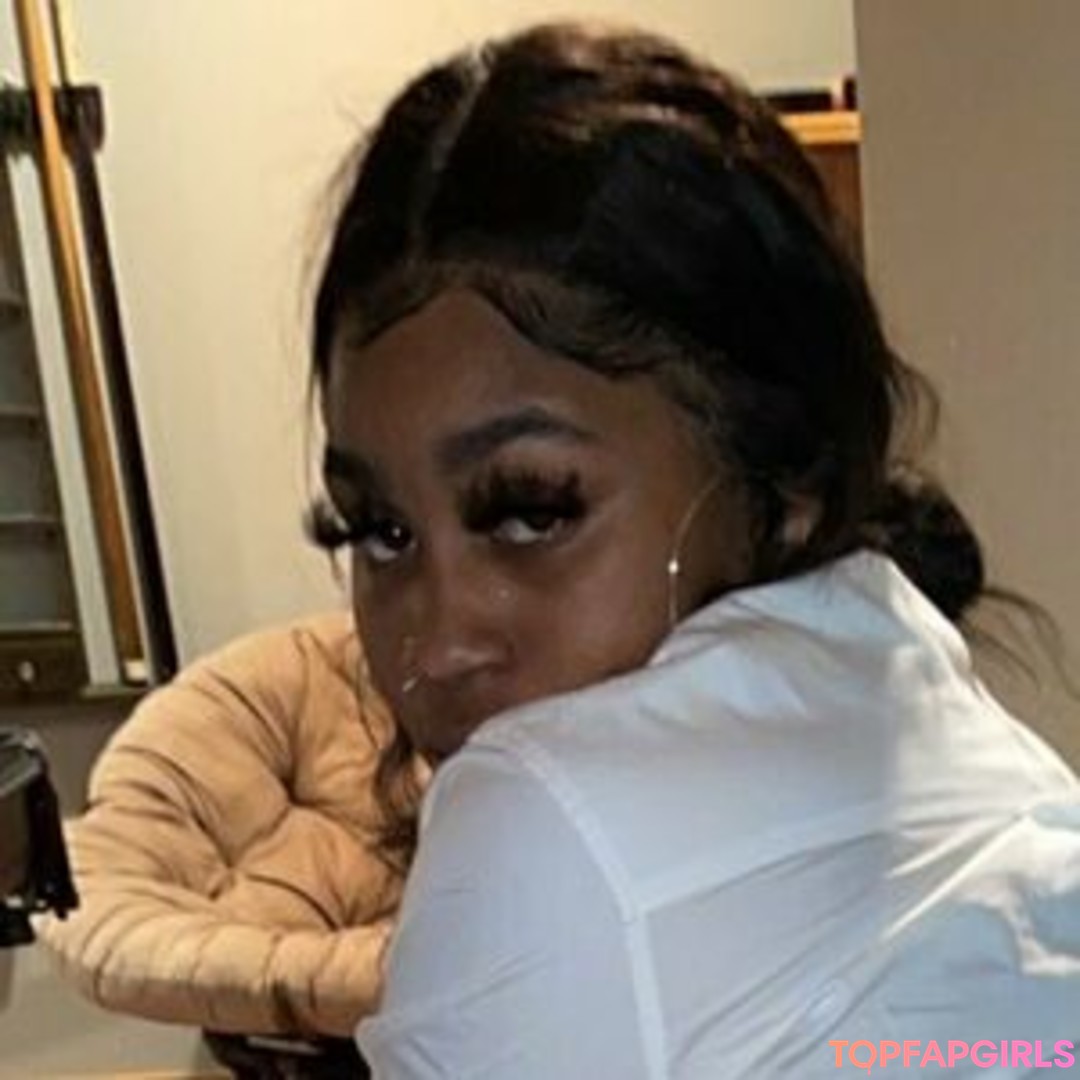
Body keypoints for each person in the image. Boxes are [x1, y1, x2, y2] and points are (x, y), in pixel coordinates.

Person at [305, 20, 1080, 1078]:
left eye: (531, 511)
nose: (434, 644)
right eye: (379, 531)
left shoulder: (542, 824)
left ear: (784, 479)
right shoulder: (945, 714)